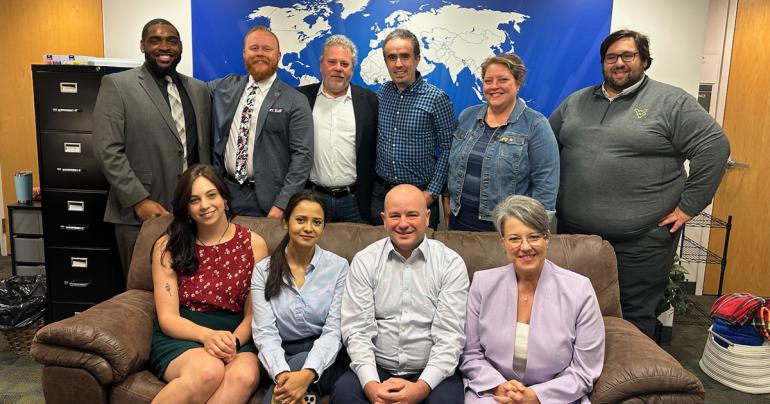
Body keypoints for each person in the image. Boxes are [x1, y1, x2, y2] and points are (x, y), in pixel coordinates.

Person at [549, 29, 730, 338]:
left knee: (631, 317)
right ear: (603, 62)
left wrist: (688, 207)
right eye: (611, 57)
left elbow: (714, 147)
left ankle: (630, 385)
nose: (619, 63)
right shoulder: (576, 102)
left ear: (644, 60)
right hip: (576, 236)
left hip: (641, 241)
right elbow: (546, 148)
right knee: (572, 309)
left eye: (627, 56)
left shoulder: (670, 101)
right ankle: (577, 381)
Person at [93, 18, 211, 276]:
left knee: (190, 286)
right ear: (142, 45)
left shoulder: (199, 90)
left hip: (191, 213)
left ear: (180, 46)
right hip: (142, 212)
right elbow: (107, 150)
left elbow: (202, 150)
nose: (164, 46)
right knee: (143, 291)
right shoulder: (118, 86)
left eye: (171, 40)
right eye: (155, 40)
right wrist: (138, 200)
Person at [460, 195, 604, 403]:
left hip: (557, 395)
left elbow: (585, 369)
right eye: (515, 238)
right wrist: (500, 387)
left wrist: (536, 396)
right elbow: (470, 353)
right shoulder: (483, 284)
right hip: (494, 393)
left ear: (547, 238)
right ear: (502, 242)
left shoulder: (579, 289)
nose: (525, 247)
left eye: (534, 236)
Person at [332, 184, 469, 404]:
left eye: (412, 215)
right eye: (395, 216)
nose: (403, 224)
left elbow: (450, 337)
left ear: (427, 217)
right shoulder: (365, 260)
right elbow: (357, 331)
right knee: (344, 394)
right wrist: (372, 387)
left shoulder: (450, 264)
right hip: (377, 368)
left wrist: (421, 389)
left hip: (431, 371)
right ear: (384, 219)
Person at [148, 164, 268, 403]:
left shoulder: (255, 244)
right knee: (208, 371)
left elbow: (254, 315)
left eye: (211, 195)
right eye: (194, 200)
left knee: (243, 376)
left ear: (224, 197)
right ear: (187, 208)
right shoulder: (168, 245)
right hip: (184, 332)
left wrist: (231, 342)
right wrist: (207, 336)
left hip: (236, 336)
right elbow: (168, 318)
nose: (205, 205)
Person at [251, 190, 350, 404]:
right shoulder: (263, 271)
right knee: (302, 397)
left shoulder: (339, 267)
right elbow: (265, 333)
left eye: (316, 222)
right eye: (301, 220)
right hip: (280, 357)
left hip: (327, 358)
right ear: (286, 222)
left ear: (323, 228)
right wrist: (281, 373)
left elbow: (334, 331)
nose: (308, 228)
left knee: (288, 392)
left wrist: (307, 374)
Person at [445, 54, 559, 232]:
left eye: (503, 80)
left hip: (507, 228)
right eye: (488, 80)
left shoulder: (535, 125)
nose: (494, 86)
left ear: (518, 83)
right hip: (459, 222)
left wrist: (533, 230)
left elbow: (546, 183)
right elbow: (451, 165)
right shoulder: (467, 116)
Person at [209, 25, 313, 218]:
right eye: (254, 48)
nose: (260, 54)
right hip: (225, 196)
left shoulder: (295, 100)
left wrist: (282, 204)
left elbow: (302, 158)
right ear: (244, 53)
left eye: (267, 49)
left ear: (279, 55)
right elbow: (193, 91)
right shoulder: (225, 87)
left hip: (269, 203)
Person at [371, 29, 457, 230]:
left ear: (417, 59)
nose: (398, 64)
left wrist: (431, 193)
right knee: (380, 253)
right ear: (386, 62)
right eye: (392, 57)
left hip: (420, 195)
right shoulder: (382, 93)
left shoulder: (437, 99)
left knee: (421, 256)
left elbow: (448, 149)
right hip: (381, 195)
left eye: (405, 56)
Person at [297, 35, 378, 223]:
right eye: (332, 62)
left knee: (357, 253)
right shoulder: (301, 98)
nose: (338, 68)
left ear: (352, 69)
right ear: (321, 65)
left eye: (345, 63)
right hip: (313, 199)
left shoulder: (369, 101)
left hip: (355, 202)